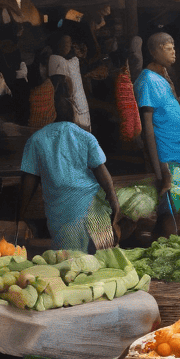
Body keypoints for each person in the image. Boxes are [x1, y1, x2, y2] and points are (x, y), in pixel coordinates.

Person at [17, 95, 121, 252]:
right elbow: (102, 171)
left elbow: (28, 182)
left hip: (60, 216)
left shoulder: (36, 139)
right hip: (92, 209)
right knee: (102, 255)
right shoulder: (86, 137)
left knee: (70, 260)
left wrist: (20, 216)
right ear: (73, 115)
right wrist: (113, 198)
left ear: (51, 114)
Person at [134, 31, 180, 239]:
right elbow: (147, 127)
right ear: (154, 51)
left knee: (177, 206)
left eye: (174, 46)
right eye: (168, 48)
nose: (173, 51)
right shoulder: (148, 79)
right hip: (167, 156)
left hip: (177, 153)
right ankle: (170, 251)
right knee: (172, 211)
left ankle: (166, 246)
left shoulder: (163, 78)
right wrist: (159, 171)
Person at [48, 33, 92, 131]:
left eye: (69, 43)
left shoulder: (74, 60)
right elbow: (65, 87)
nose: (68, 45)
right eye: (64, 43)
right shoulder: (55, 60)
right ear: (58, 44)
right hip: (70, 107)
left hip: (82, 107)